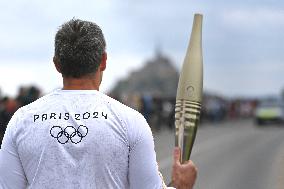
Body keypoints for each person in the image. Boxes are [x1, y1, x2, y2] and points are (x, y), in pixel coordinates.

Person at [0, 19, 197, 189]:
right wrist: (182, 185)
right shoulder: (130, 121)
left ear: (57, 64)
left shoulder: (21, 120)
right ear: (103, 61)